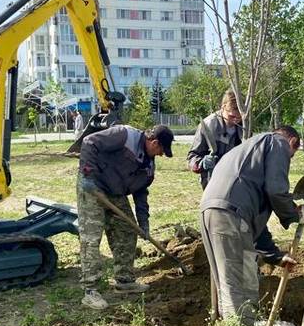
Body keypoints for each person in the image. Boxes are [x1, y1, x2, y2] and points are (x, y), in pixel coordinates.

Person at [200, 125, 304, 326]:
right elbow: (275, 190)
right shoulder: (278, 143)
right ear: (292, 141)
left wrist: (274, 256)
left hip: (213, 213)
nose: (288, 159)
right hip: (229, 217)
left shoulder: (247, 154)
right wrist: (294, 214)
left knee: (230, 289)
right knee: (241, 290)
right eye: (292, 155)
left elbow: (253, 222)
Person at [77, 123, 174, 309]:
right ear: (153, 142)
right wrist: (87, 175)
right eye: (161, 149)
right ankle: (90, 290)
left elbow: (140, 193)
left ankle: (124, 280)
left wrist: (143, 224)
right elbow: (89, 142)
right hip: (93, 186)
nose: (161, 154)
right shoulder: (124, 135)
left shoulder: (148, 166)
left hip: (115, 192)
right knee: (91, 237)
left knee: (128, 231)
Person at [187, 90, 244, 189]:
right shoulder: (208, 125)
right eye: (232, 116)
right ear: (223, 107)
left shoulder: (245, 126)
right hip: (212, 182)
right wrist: (201, 163)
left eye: (239, 117)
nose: (236, 119)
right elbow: (192, 157)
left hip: (237, 182)